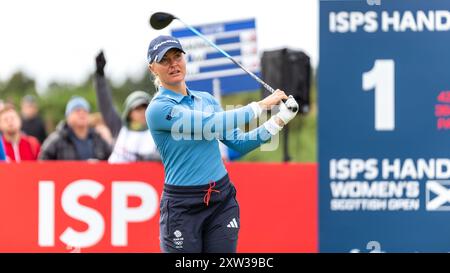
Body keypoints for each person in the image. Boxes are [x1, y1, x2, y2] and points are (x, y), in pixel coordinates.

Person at [145, 35, 299, 253]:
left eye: (177, 56)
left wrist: (279, 120)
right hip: (182, 207)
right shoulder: (158, 109)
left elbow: (239, 142)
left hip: (221, 200)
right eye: (164, 60)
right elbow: (209, 123)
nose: (173, 64)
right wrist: (260, 106)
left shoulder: (206, 100)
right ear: (153, 68)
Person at [94, 51, 160, 163]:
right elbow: (106, 105)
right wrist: (100, 76)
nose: (142, 112)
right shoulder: (119, 128)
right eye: (138, 109)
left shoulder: (158, 133)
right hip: (118, 179)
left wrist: (155, 157)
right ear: (129, 112)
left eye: (145, 108)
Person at [39, 96, 111, 160]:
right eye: (77, 111)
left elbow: (112, 161)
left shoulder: (98, 139)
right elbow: (42, 166)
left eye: (85, 111)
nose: (82, 114)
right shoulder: (55, 140)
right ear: (68, 116)